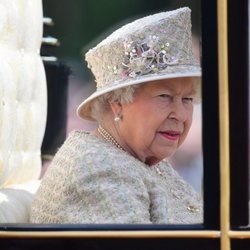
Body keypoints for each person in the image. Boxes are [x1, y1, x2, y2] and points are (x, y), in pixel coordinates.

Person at [30, 7, 203, 224]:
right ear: (118, 102)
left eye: (187, 99)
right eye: (164, 96)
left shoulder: (140, 159)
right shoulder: (99, 170)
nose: (180, 114)